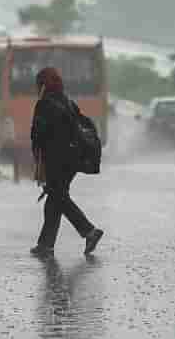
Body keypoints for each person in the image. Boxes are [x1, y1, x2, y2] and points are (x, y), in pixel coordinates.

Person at [30, 67, 104, 257]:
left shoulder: (44, 104)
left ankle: (89, 231)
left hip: (57, 159)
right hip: (74, 159)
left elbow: (38, 135)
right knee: (55, 198)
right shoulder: (68, 102)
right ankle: (45, 245)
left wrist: (37, 158)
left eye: (39, 84)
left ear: (43, 85)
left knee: (58, 197)